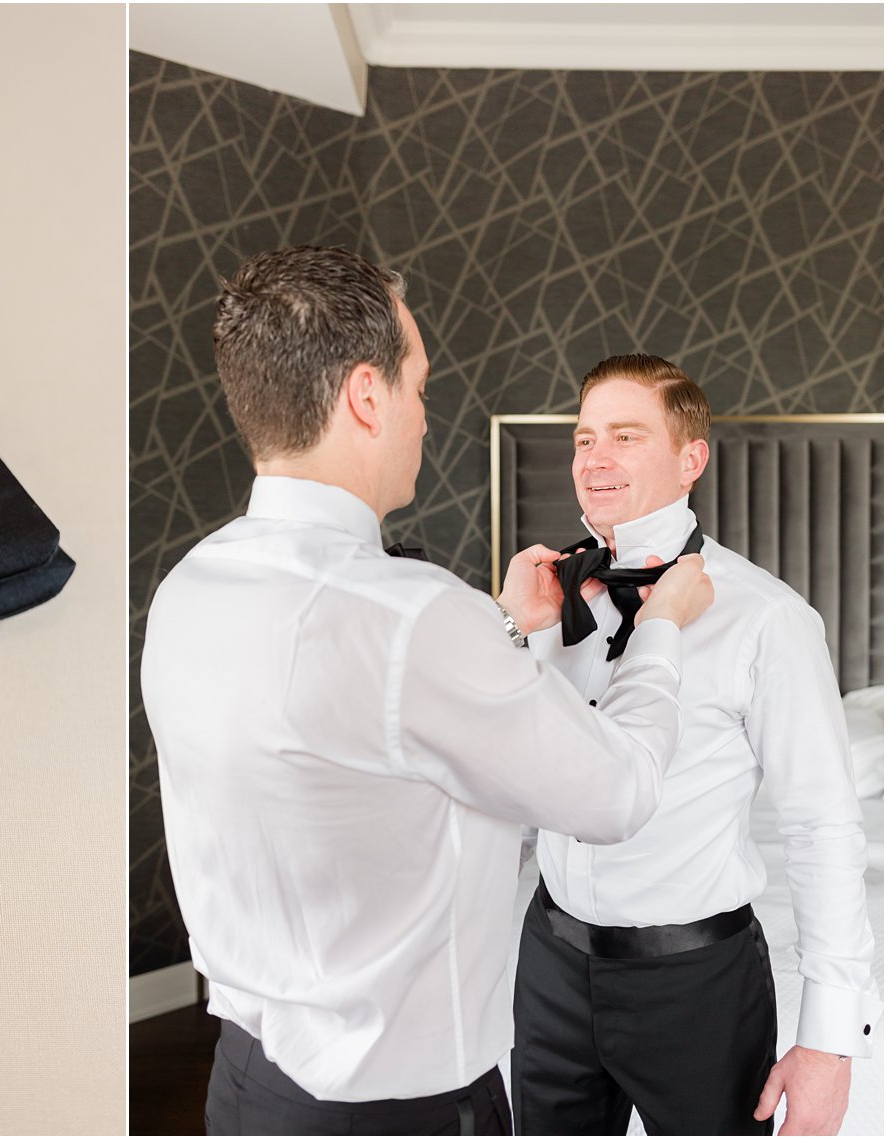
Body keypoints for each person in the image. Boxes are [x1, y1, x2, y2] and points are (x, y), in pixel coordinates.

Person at [140, 246, 714, 1136]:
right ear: (367, 397)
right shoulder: (415, 618)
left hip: (248, 1086)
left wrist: (503, 629)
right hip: (400, 1113)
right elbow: (619, 790)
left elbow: (353, 729)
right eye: (419, 387)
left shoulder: (189, 589)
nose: (425, 417)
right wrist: (666, 624)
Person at [512, 354, 881, 1136]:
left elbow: (821, 826)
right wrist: (512, 635)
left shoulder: (769, 620)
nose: (594, 458)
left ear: (691, 458)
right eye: (583, 439)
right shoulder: (543, 602)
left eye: (625, 435)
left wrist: (829, 1041)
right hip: (547, 956)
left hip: (696, 984)